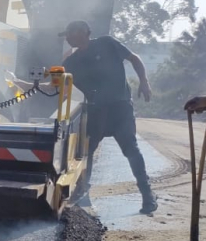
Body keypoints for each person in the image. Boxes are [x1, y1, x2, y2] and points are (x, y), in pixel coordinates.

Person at [60, 20, 157, 214]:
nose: (67, 38)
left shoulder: (106, 43)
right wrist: (26, 85)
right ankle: (82, 193)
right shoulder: (70, 62)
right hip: (95, 112)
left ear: (83, 32)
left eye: (69, 34)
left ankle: (147, 197)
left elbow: (134, 59)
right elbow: (60, 85)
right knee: (86, 153)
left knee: (131, 150)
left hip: (119, 108)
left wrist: (144, 82)